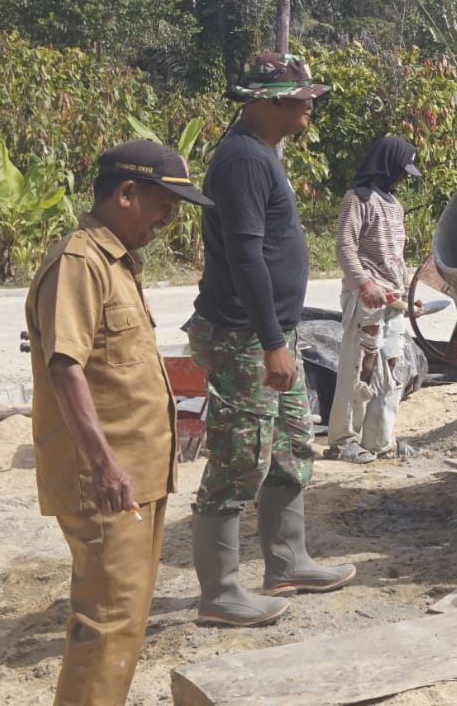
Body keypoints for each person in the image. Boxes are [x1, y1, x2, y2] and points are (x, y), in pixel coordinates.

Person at [26, 140, 214, 705]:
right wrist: (104, 463)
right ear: (127, 193)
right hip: (106, 482)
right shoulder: (79, 264)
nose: (168, 220)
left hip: (137, 473)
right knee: (108, 622)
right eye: (164, 205)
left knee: (125, 618)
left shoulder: (116, 263)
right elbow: (65, 367)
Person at [187, 53, 355, 627]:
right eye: (300, 96)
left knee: (289, 447)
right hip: (243, 337)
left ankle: (287, 560)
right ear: (268, 102)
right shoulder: (242, 160)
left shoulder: (261, 155)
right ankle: (220, 594)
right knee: (239, 458)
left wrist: (280, 334)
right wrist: (269, 342)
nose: (310, 105)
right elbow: (245, 254)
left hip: (269, 333)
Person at [326, 135, 422, 464]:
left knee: (392, 368)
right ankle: (343, 440)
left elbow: (396, 256)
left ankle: (379, 439)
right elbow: (345, 247)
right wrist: (364, 283)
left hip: (393, 301)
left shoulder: (394, 206)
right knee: (360, 368)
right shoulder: (357, 200)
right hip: (367, 301)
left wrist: (409, 295)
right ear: (387, 165)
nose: (404, 178)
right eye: (402, 171)